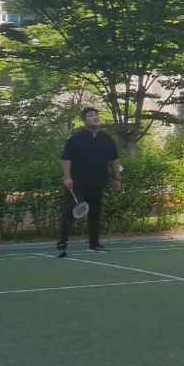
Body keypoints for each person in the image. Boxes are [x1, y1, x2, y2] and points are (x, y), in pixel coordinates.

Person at [58, 107, 121, 257]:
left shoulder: (107, 139)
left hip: (97, 183)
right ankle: (62, 244)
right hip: (77, 183)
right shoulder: (76, 138)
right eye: (91, 116)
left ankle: (94, 244)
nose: (95, 117)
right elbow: (66, 159)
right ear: (84, 120)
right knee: (69, 213)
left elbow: (115, 160)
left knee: (95, 214)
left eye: (97, 115)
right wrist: (67, 177)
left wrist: (118, 178)